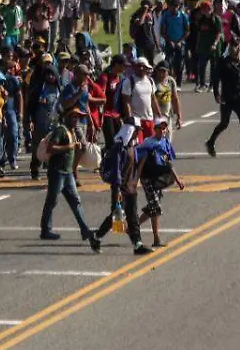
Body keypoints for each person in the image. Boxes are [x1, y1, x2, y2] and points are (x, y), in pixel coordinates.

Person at [38, 106, 101, 253]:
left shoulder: (72, 131)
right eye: (73, 116)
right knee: (52, 200)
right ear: (66, 117)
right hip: (57, 172)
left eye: (78, 117)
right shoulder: (61, 130)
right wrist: (70, 146)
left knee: (76, 202)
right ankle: (45, 230)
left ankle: (85, 230)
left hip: (67, 173)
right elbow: (51, 149)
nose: (76, 119)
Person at [93, 123, 152, 255]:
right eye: (137, 131)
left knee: (132, 216)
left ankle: (137, 244)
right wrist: (118, 190)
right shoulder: (119, 148)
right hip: (120, 188)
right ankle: (96, 237)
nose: (138, 133)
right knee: (117, 216)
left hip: (130, 187)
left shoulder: (131, 145)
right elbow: (116, 171)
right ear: (131, 131)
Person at [134, 117, 184, 248]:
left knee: (153, 206)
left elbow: (168, 163)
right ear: (154, 129)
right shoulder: (148, 143)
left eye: (164, 128)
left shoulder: (166, 143)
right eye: (159, 128)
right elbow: (141, 162)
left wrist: (178, 180)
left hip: (158, 177)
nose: (162, 130)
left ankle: (133, 228)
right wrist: (135, 180)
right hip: (147, 178)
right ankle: (156, 239)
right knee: (155, 207)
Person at [205, 39, 240, 158]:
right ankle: (210, 142)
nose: (233, 49)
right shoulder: (223, 61)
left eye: (236, 46)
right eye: (231, 46)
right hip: (227, 97)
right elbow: (216, 79)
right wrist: (216, 94)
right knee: (224, 123)